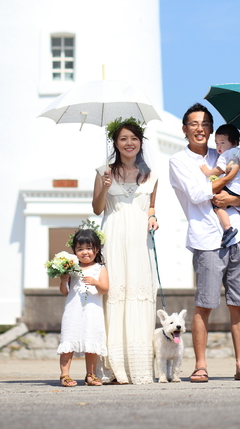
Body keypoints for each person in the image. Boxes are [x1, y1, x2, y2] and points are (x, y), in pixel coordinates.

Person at [169, 103, 240, 383]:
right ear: (184, 129)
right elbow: (198, 194)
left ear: (211, 129)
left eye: (205, 124)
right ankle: (200, 365)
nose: (200, 128)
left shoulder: (223, 151)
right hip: (206, 239)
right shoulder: (179, 161)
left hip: (237, 234)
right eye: (194, 124)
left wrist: (232, 198)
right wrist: (229, 178)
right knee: (204, 304)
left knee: (239, 303)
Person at [92, 118, 158, 384]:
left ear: (140, 142)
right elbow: (97, 209)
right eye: (123, 139)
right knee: (114, 294)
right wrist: (106, 187)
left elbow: (151, 207)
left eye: (133, 138)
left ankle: (138, 366)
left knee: (139, 295)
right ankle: (112, 367)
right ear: (115, 144)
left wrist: (153, 217)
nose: (129, 143)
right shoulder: (102, 172)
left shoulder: (151, 174)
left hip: (141, 243)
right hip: (114, 238)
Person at [57, 227, 109, 387]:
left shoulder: (100, 269)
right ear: (74, 251)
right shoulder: (72, 268)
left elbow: (105, 288)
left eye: (88, 248)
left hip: (92, 313)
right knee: (68, 342)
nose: (84, 252)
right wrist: (63, 280)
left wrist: (95, 282)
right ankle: (64, 375)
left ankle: (90, 375)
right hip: (73, 312)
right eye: (80, 249)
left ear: (97, 249)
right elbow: (65, 292)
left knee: (91, 344)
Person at [199, 124, 240, 246]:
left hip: (232, 186)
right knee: (234, 203)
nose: (218, 147)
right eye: (216, 143)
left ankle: (228, 229)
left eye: (222, 143)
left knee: (218, 207)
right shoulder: (237, 153)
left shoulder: (228, 155)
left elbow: (221, 169)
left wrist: (207, 172)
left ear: (234, 142)